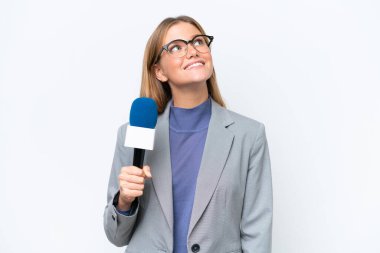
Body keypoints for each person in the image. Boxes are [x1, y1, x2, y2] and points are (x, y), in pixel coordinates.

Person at [104, 15, 273, 253]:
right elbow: (116, 236)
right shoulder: (132, 134)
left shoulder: (249, 136)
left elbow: (257, 233)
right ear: (159, 71)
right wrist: (124, 201)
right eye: (176, 47)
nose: (192, 51)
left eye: (198, 42)